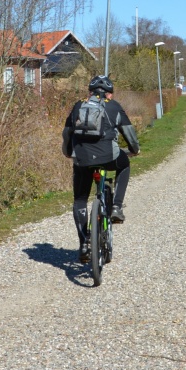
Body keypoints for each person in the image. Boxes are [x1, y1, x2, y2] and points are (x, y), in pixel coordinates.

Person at [62, 75, 140, 262]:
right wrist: (134, 150)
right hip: (108, 157)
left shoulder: (78, 106)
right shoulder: (114, 106)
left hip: (82, 159)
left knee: (80, 200)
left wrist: (68, 152)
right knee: (124, 165)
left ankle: (84, 243)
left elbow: (67, 133)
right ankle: (116, 207)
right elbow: (128, 132)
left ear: (89, 92)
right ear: (110, 94)